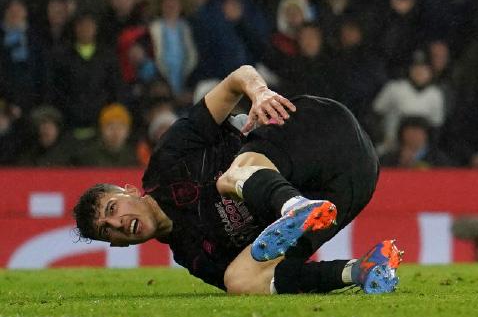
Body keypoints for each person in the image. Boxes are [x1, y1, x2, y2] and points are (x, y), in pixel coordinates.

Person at [71, 65, 401, 295]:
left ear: (129, 190)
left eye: (112, 208)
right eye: (107, 231)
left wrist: (259, 93)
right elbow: (280, 275)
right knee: (240, 280)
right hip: (354, 183)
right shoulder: (193, 256)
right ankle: (363, 269)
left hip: (321, 132)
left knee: (228, 178)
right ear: (118, 245)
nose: (117, 223)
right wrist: (352, 272)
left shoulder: (167, 160)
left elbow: (237, 78)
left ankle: (292, 206)